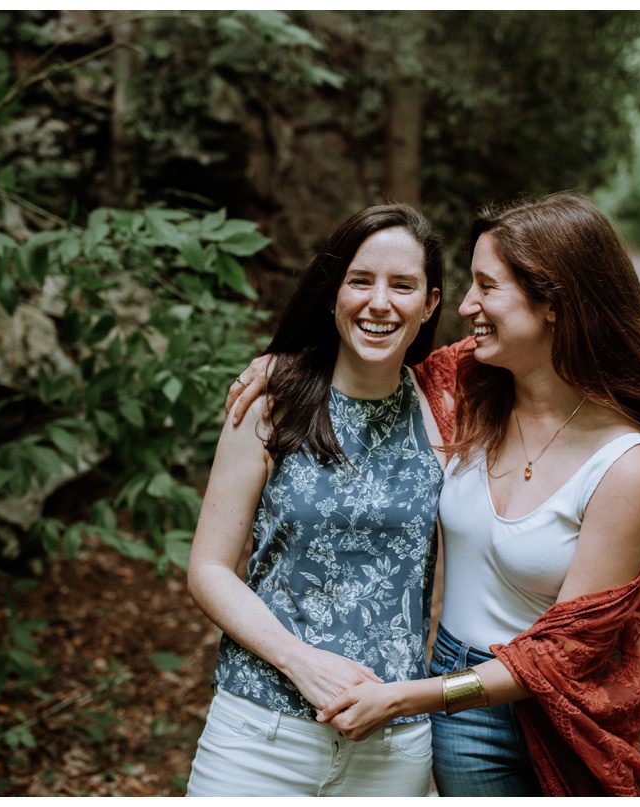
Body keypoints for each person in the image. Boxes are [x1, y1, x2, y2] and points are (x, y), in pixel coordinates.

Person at [228, 192, 640, 796]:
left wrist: (412, 697)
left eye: (486, 287)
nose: (465, 307)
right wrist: (284, 367)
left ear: (554, 304)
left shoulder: (622, 461)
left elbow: (563, 652)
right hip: (460, 709)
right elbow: (372, 356)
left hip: (563, 713)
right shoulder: (463, 390)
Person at [184, 203, 447, 797]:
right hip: (259, 733)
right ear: (333, 293)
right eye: (360, 280)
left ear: (429, 304)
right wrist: (300, 661)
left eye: (402, 286)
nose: (379, 303)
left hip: (392, 746)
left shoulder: (446, 411)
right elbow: (208, 569)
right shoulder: (270, 402)